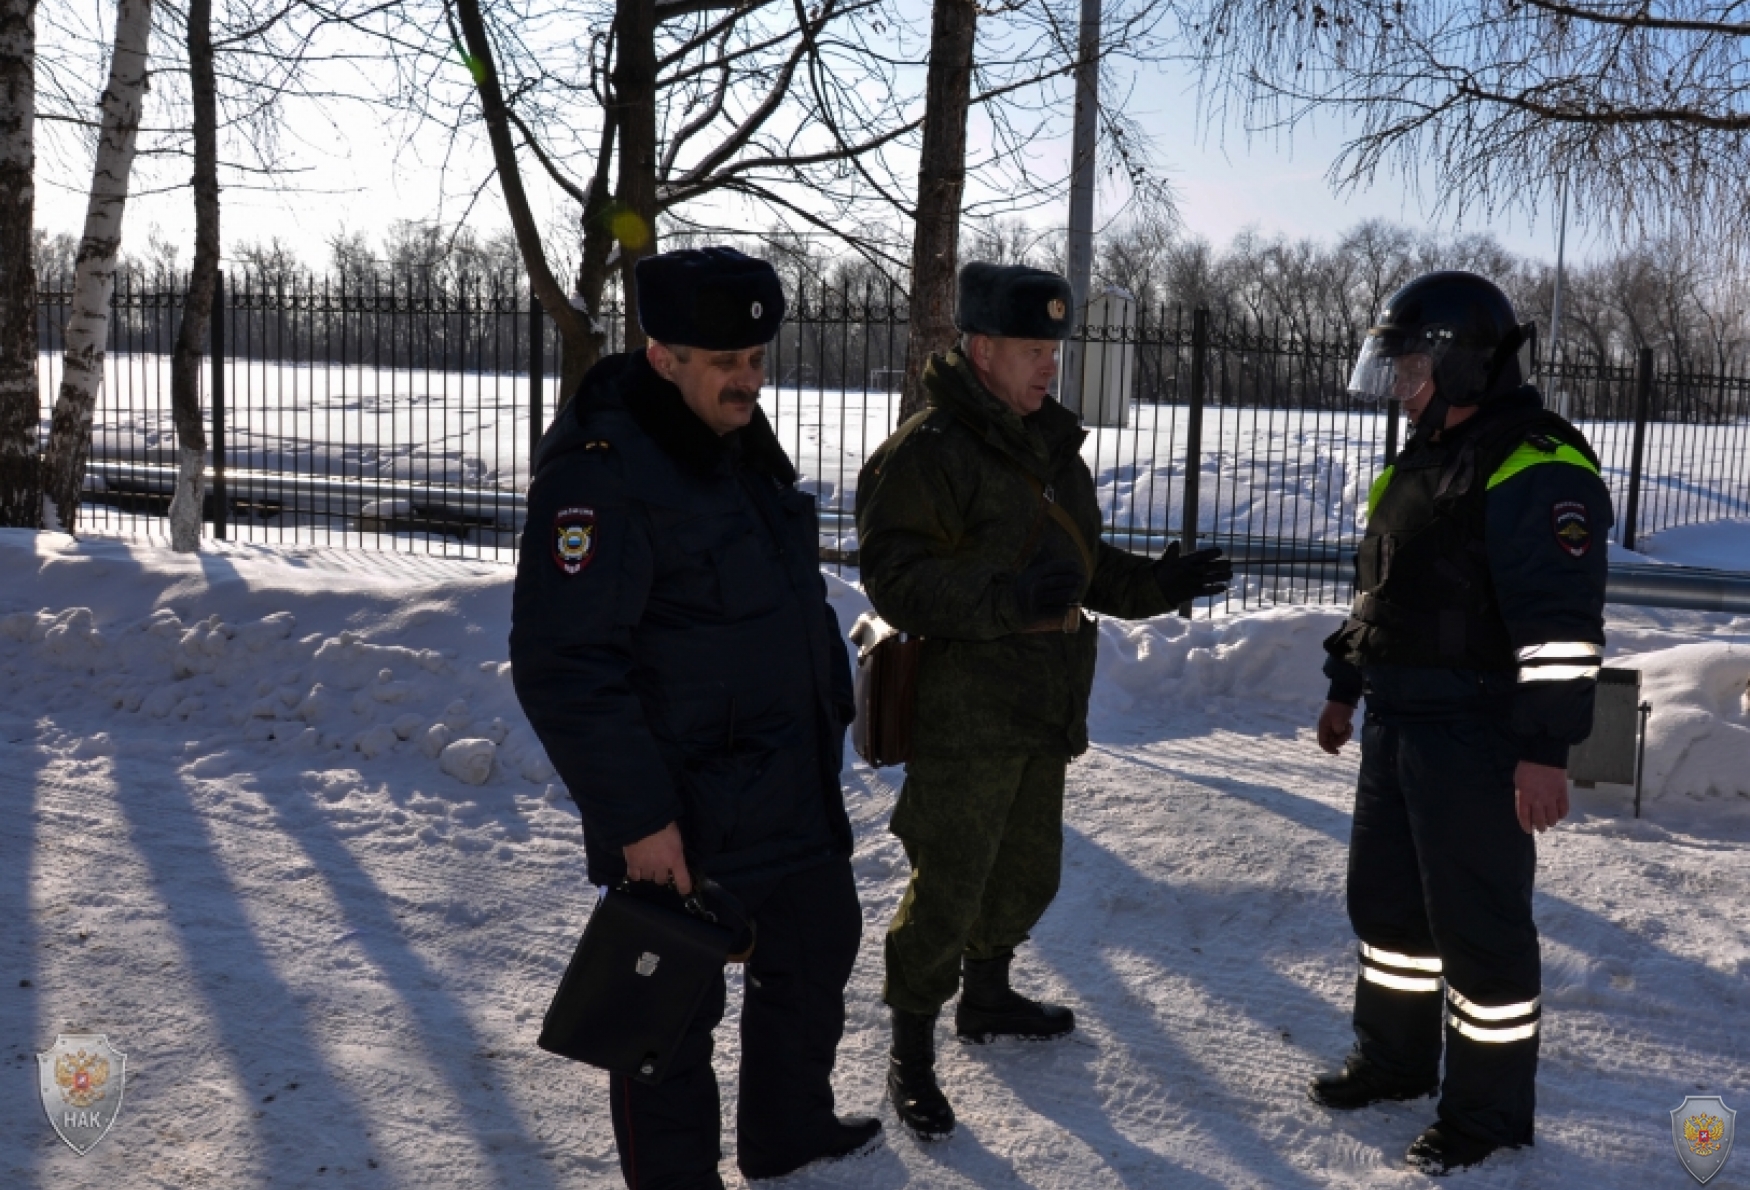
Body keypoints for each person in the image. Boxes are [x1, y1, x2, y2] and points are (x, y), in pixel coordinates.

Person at [509, 246, 879, 1189]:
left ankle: (786, 1132)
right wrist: (637, 819)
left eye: (758, 359)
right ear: (662, 352)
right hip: (682, 807)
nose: (750, 381)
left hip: (782, 781)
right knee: (666, 1014)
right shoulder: (599, 472)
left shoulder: (734, 442)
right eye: (728, 364)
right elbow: (564, 664)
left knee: (817, 943)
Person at [854, 261, 1232, 1140]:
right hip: (965, 710)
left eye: (1053, 352)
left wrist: (1160, 582)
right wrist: (1001, 602)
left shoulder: (1053, 448)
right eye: (1032, 350)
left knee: (1026, 872)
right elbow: (896, 576)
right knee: (947, 884)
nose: (1048, 368)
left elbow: (1084, 570)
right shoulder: (933, 450)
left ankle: (985, 998)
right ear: (981, 350)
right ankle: (911, 1053)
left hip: (1044, 702)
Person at [1310, 270, 1613, 1176]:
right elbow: (1382, 592)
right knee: (1390, 910)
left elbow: (1560, 629)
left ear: (1465, 365)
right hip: (1399, 727)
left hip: (1479, 739)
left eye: (1410, 371)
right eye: (1393, 372)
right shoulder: (1419, 459)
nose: (1399, 391)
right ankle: (1396, 1062)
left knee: (1479, 930)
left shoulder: (1537, 461)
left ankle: (1485, 1115)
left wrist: (1544, 752)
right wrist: (1343, 685)